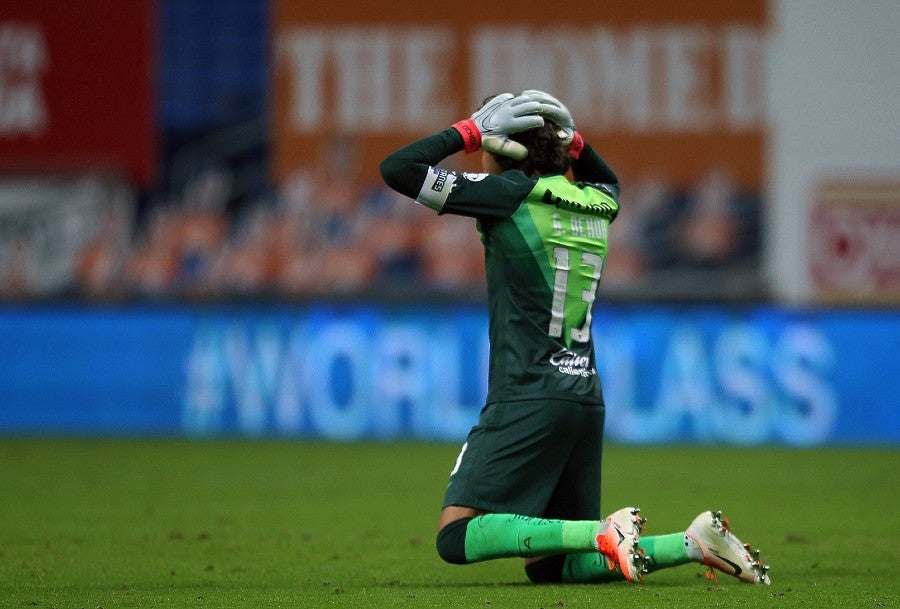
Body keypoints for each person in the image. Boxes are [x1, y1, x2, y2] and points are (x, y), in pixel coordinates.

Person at [379, 90, 771, 585]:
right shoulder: (598, 202)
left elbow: (398, 168)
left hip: (527, 393)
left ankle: (602, 533)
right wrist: (569, 142)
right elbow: (607, 178)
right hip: (583, 396)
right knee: (551, 567)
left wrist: (468, 130)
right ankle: (692, 543)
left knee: (454, 537)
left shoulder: (508, 195)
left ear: (500, 147)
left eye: (486, 142)